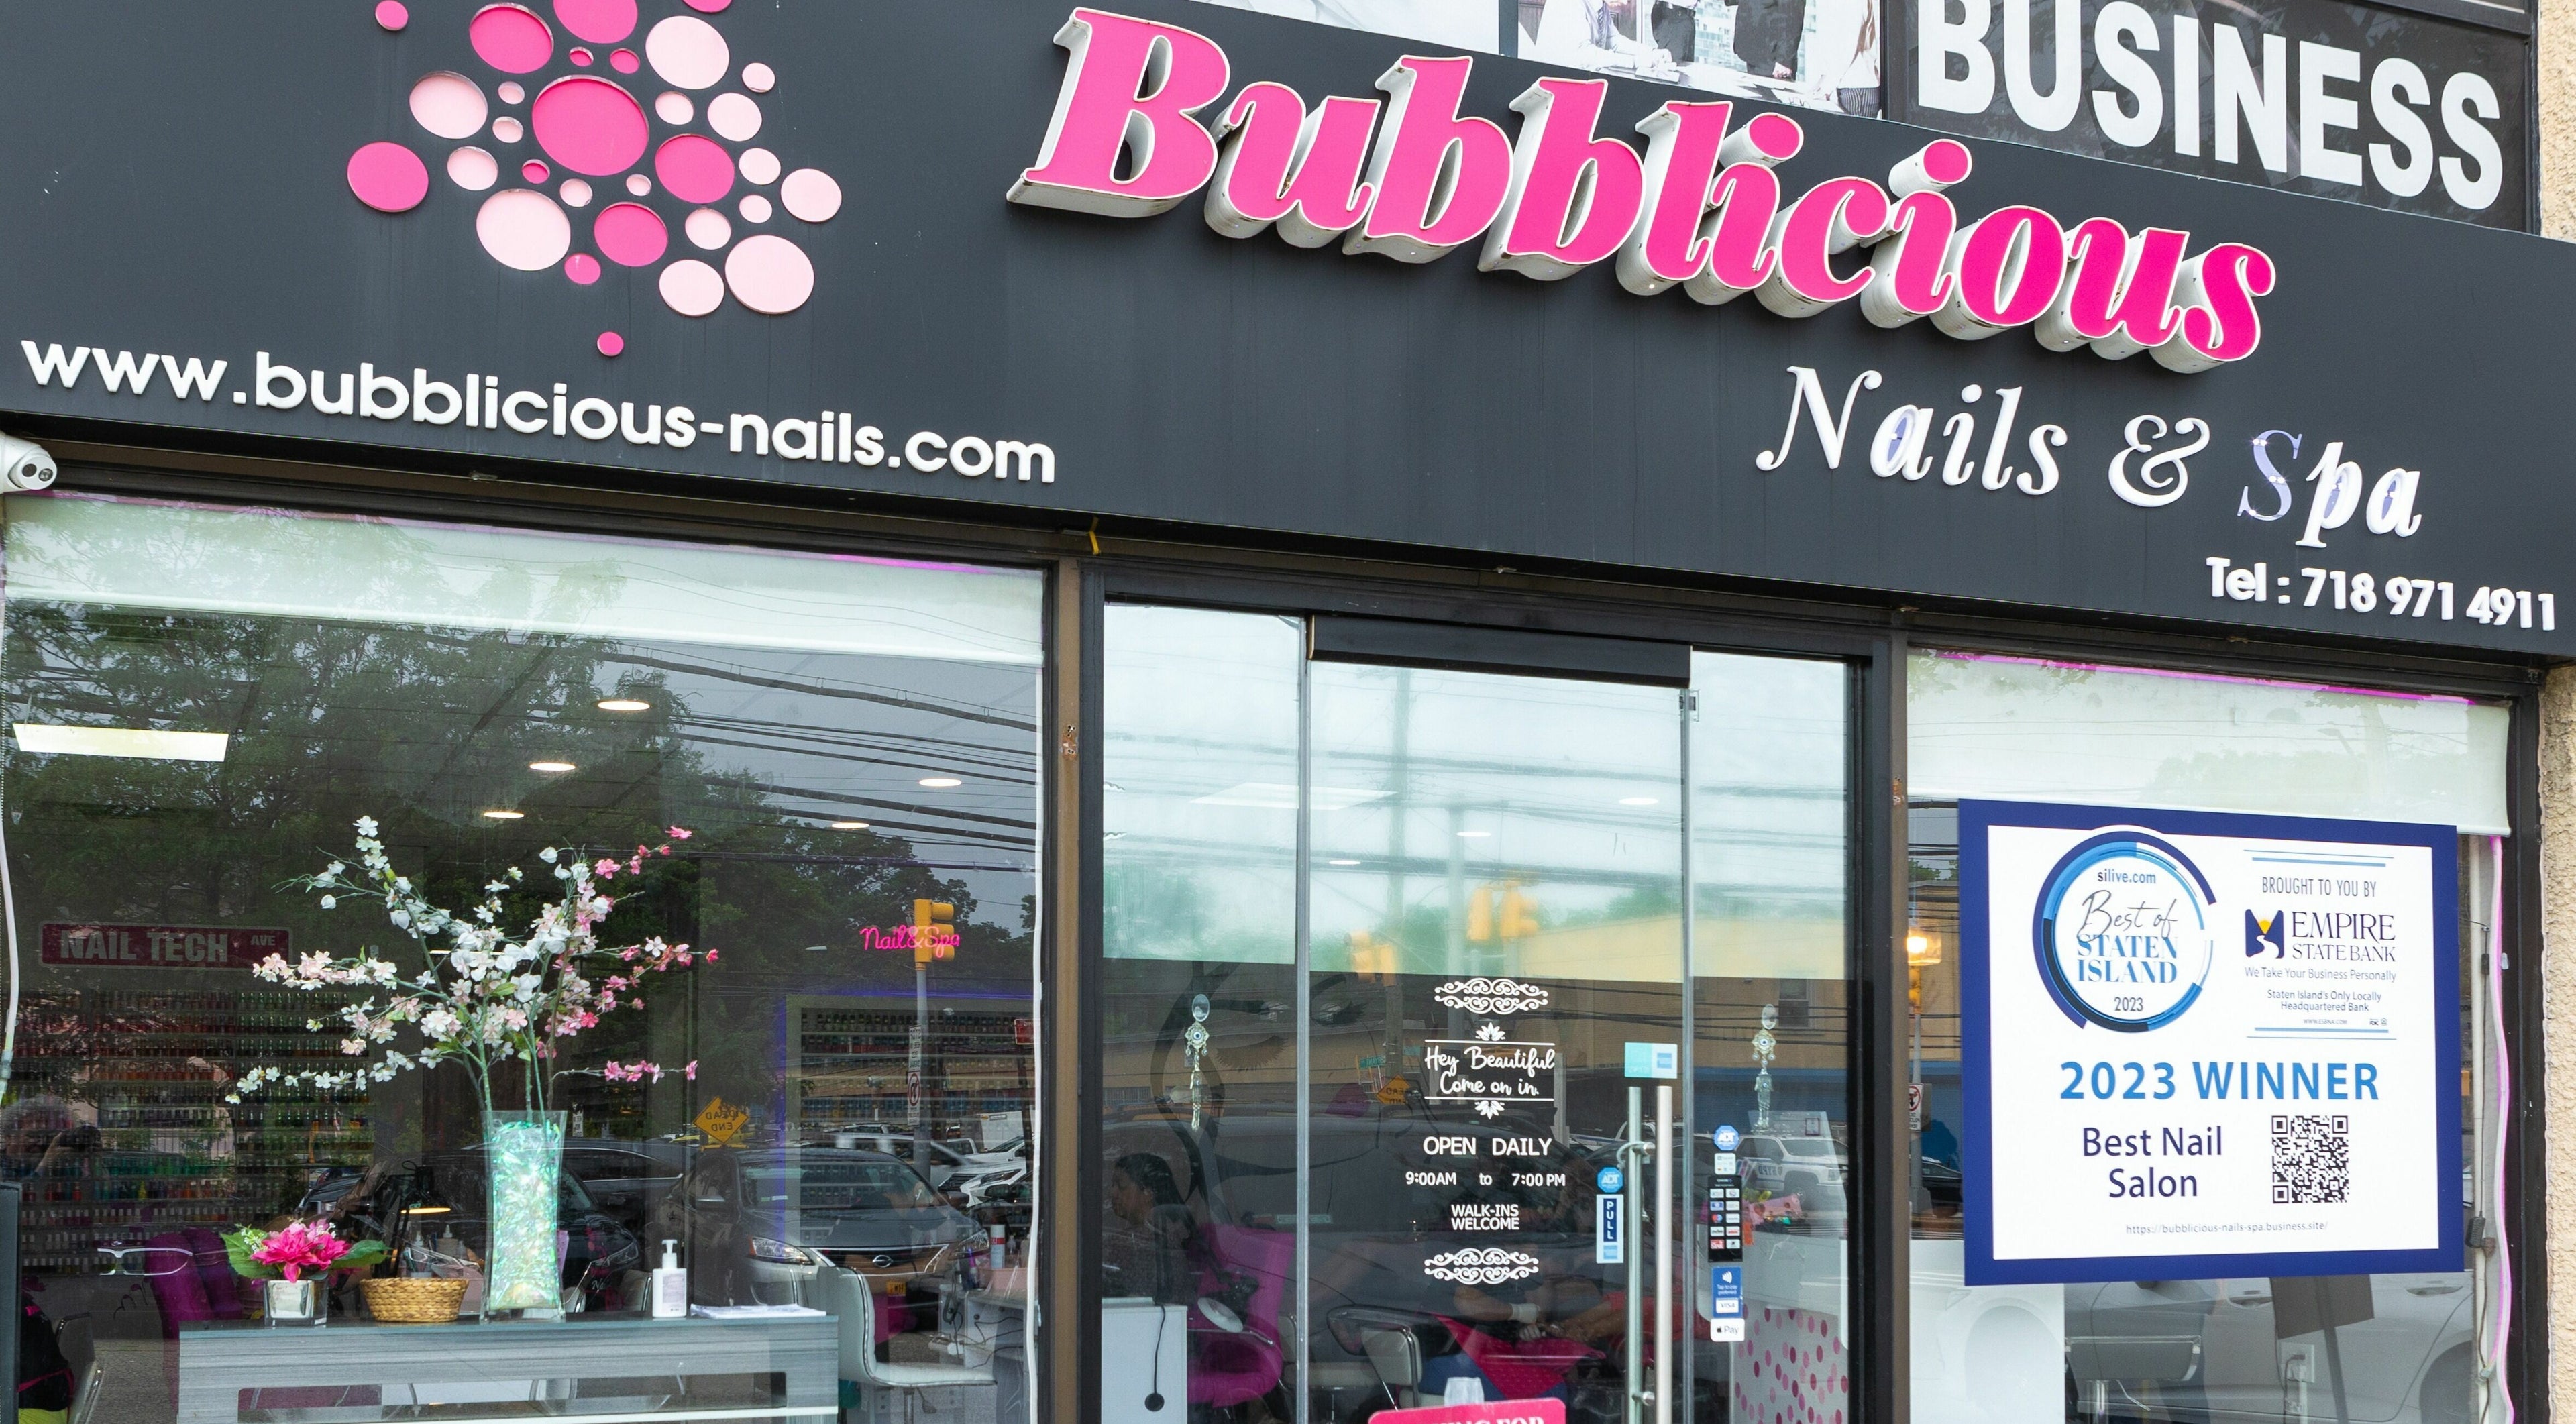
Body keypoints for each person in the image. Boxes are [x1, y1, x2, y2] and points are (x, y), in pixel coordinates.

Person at [1102, 1152, 1195, 1304]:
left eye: (1121, 1185)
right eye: (1113, 1186)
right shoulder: (1170, 1232)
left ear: (1147, 1193)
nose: (1112, 1193)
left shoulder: (1141, 1241)